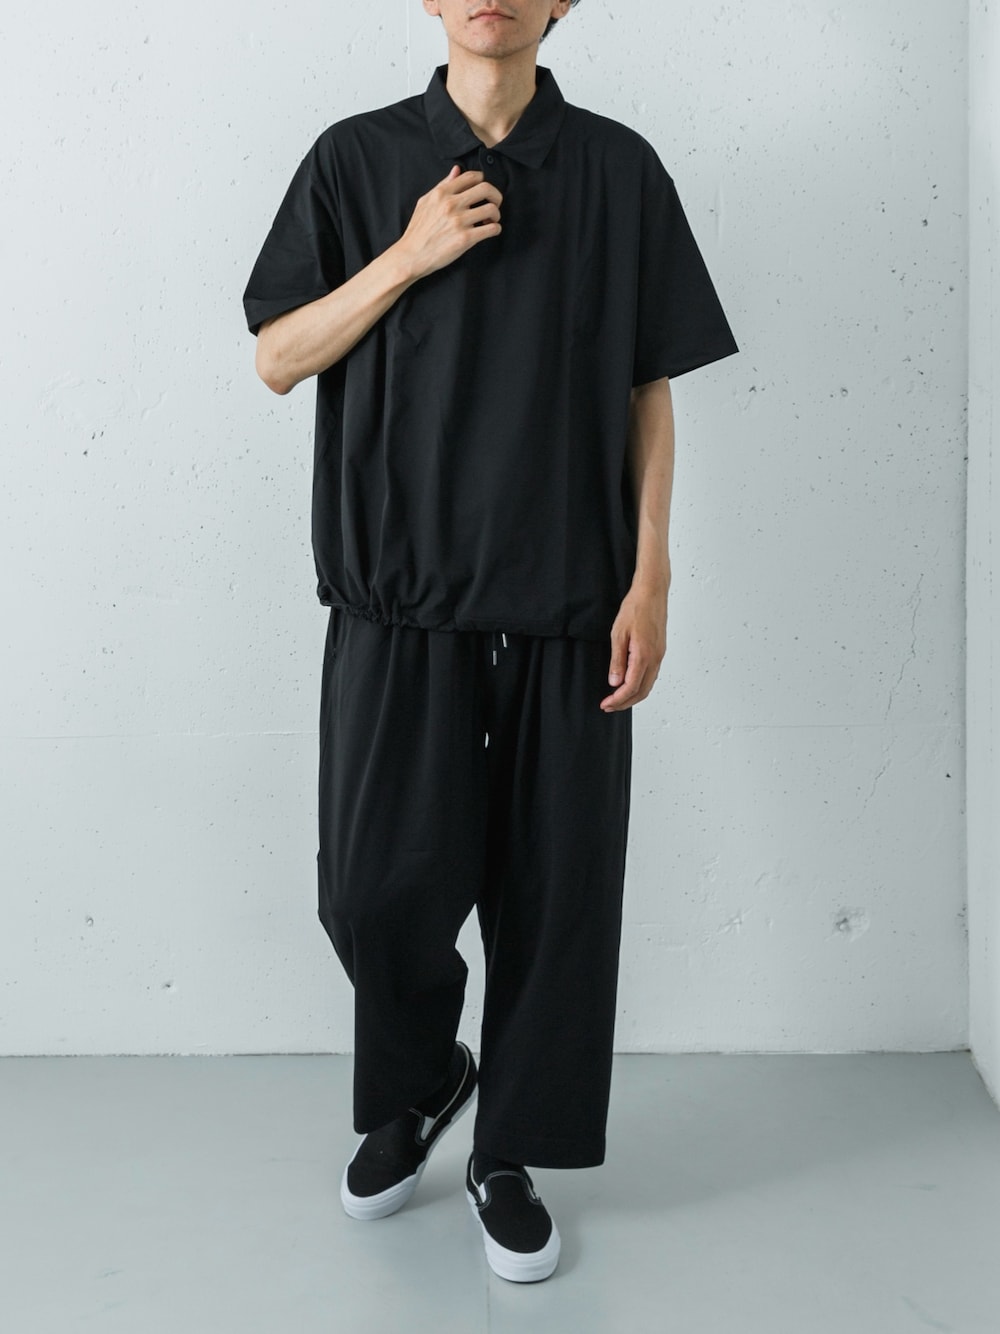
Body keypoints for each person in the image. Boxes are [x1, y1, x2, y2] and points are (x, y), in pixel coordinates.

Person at [242, 0, 739, 1285]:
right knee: (370, 892)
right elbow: (278, 356)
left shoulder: (619, 169)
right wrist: (408, 254)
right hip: (397, 600)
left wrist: (653, 574)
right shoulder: (355, 160)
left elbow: (646, 384)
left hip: (570, 604)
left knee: (554, 903)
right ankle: (424, 1078)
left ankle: (507, 1148)